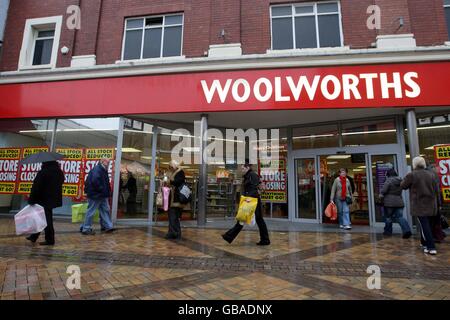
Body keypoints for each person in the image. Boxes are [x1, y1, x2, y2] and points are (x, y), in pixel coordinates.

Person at [222, 160, 270, 246]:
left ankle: (229, 236)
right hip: (251, 200)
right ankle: (265, 239)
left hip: (251, 200)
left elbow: (256, 188)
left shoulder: (252, 175)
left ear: (247, 167)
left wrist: (248, 198)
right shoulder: (248, 175)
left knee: (243, 219)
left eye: (243, 168)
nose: (242, 169)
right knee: (255, 219)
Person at [401, 156, 439, 255]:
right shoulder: (432, 174)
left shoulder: (412, 175)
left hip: (419, 205)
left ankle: (431, 247)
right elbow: (436, 190)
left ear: (414, 164)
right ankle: (424, 243)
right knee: (427, 225)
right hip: (431, 204)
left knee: (424, 226)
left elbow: (403, 186)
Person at [26, 161, 64, 246]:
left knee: (46, 219)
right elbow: (61, 181)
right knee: (41, 217)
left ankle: (50, 240)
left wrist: (31, 199)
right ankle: (34, 236)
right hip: (52, 199)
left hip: (43, 199)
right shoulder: (59, 172)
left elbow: (36, 187)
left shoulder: (43, 172)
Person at [81, 157, 116, 235]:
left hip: (101, 194)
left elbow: (102, 182)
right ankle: (86, 228)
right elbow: (95, 181)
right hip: (96, 194)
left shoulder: (102, 169)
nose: (109, 163)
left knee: (105, 210)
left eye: (109, 162)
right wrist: (102, 189)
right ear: (102, 161)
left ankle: (108, 226)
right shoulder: (98, 169)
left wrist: (106, 191)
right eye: (107, 162)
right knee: (92, 211)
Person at [380, 168, 412, 238]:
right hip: (399, 201)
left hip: (389, 203)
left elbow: (384, 190)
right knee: (400, 217)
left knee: (388, 217)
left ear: (388, 174)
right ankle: (406, 230)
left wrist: (381, 194)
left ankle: (387, 232)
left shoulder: (389, 180)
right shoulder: (401, 180)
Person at [165, 160, 186, 240]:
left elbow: (179, 182)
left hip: (176, 198)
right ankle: (172, 232)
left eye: (171, 167)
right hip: (173, 198)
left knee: (173, 216)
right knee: (172, 216)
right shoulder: (175, 172)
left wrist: (170, 181)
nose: (170, 168)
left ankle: (175, 233)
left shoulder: (180, 172)